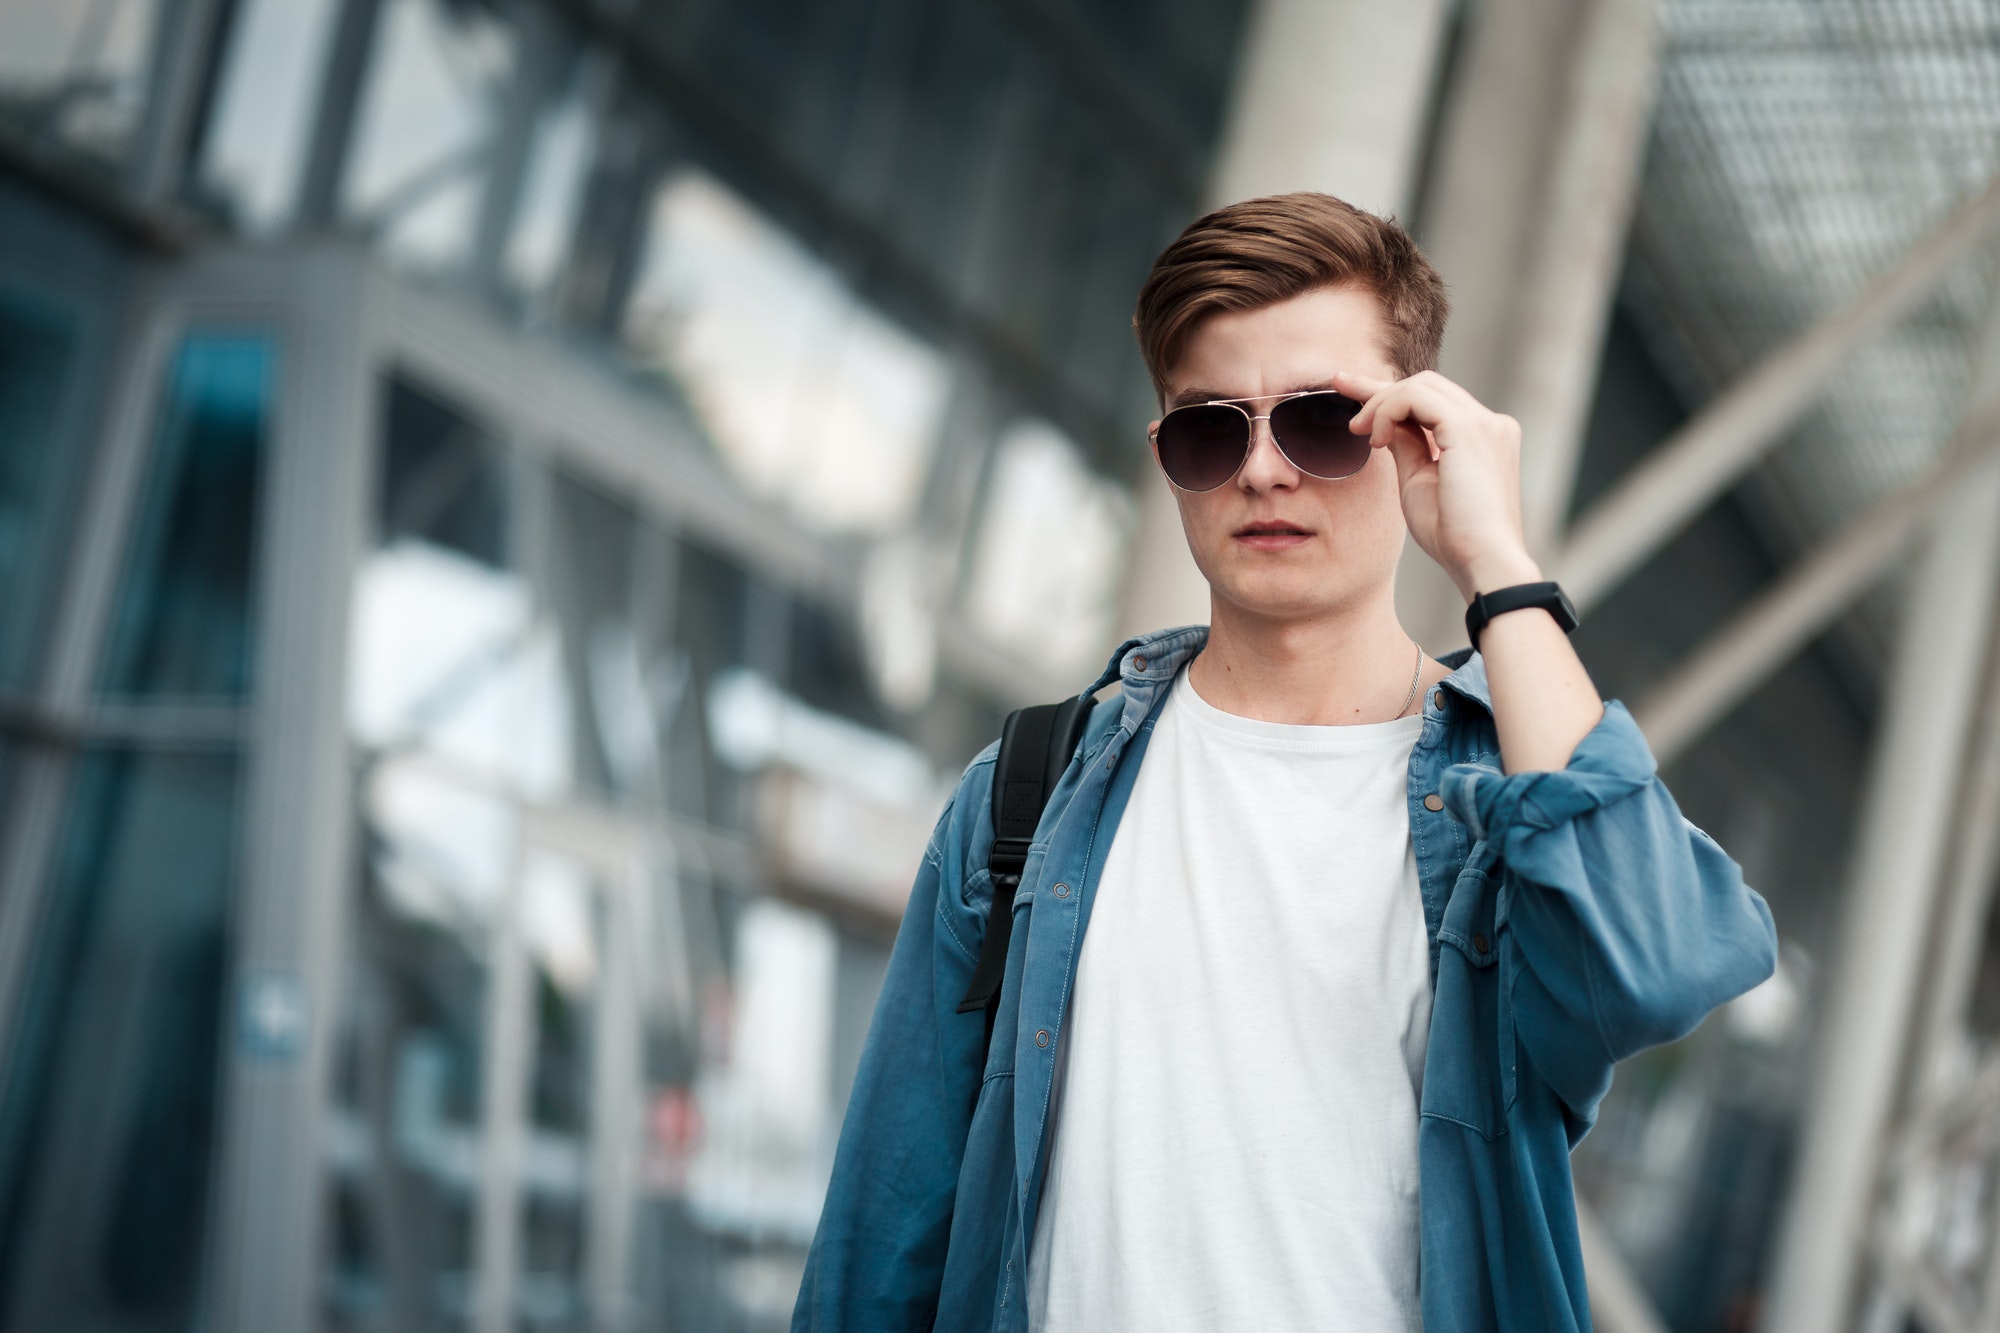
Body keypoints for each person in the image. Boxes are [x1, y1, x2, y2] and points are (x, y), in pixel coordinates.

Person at [790, 191, 1778, 1332]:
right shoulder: (1024, 799)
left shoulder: (1502, 808)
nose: (1262, 470)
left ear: (1416, 432)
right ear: (1167, 459)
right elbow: (882, 1223)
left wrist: (1496, 566)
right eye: (1210, 429)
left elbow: (1652, 964)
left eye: (1319, 421)